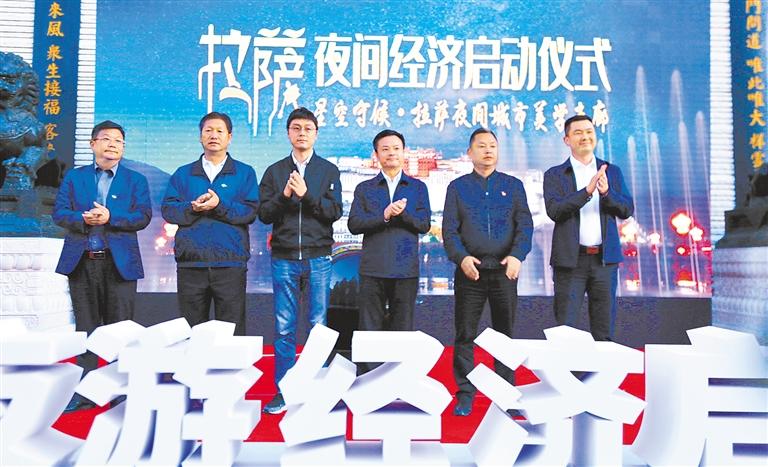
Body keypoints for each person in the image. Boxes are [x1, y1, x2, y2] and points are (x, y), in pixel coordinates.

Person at [53, 120, 152, 411]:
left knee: (120, 329)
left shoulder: (136, 180)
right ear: (92, 143)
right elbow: (59, 213)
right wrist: (82, 219)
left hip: (119, 263)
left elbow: (143, 216)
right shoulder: (75, 177)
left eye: (118, 141)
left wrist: (111, 217)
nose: (113, 144)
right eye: (106, 139)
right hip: (83, 262)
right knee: (85, 328)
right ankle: (85, 391)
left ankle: (119, 390)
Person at [442, 127, 533, 416]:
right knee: (465, 334)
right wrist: (461, 259)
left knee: (504, 336)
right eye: (481, 146)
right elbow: (449, 231)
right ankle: (465, 394)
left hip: (505, 271)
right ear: (470, 153)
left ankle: (506, 394)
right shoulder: (457, 188)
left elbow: (525, 226)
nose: (488, 150)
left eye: (492, 145)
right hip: (471, 271)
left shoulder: (513, 186)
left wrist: (517, 256)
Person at [258, 107, 342, 414]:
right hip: (284, 258)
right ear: (288, 134)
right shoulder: (274, 171)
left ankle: (318, 391)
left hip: (319, 257)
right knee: (284, 328)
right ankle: (284, 391)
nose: (302, 133)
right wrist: (284, 196)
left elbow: (334, 212)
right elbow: (263, 214)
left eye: (308, 128)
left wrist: (306, 195)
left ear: (316, 134)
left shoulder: (328, 170)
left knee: (318, 326)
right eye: (296, 128)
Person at [161, 112, 259, 336]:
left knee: (231, 332)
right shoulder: (183, 173)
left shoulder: (244, 173)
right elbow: (168, 210)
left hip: (230, 265)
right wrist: (192, 208)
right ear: (200, 136)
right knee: (191, 331)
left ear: (229, 137)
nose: (213, 135)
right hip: (191, 265)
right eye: (208, 130)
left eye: (219, 131)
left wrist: (219, 204)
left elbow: (250, 212)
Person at [543, 114, 634, 341]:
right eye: (578, 133)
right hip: (570, 262)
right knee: (565, 330)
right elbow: (555, 211)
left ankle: (601, 365)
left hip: (604, 261)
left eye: (589, 132)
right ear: (567, 140)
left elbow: (626, 210)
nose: (585, 137)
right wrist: (586, 192)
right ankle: (566, 365)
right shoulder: (555, 174)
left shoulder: (611, 171)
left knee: (604, 329)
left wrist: (606, 193)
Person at [348, 129, 431, 371]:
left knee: (402, 330)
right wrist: (384, 215)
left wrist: (402, 214)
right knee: (369, 330)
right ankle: (367, 381)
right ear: (376, 154)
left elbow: (424, 225)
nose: (391, 153)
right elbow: (354, 224)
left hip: (405, 271)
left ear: (404, 152)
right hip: (373, 269)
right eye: (385, 149)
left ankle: (398, 381)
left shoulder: (417, 187)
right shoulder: (365, 188)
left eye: (396, 148)